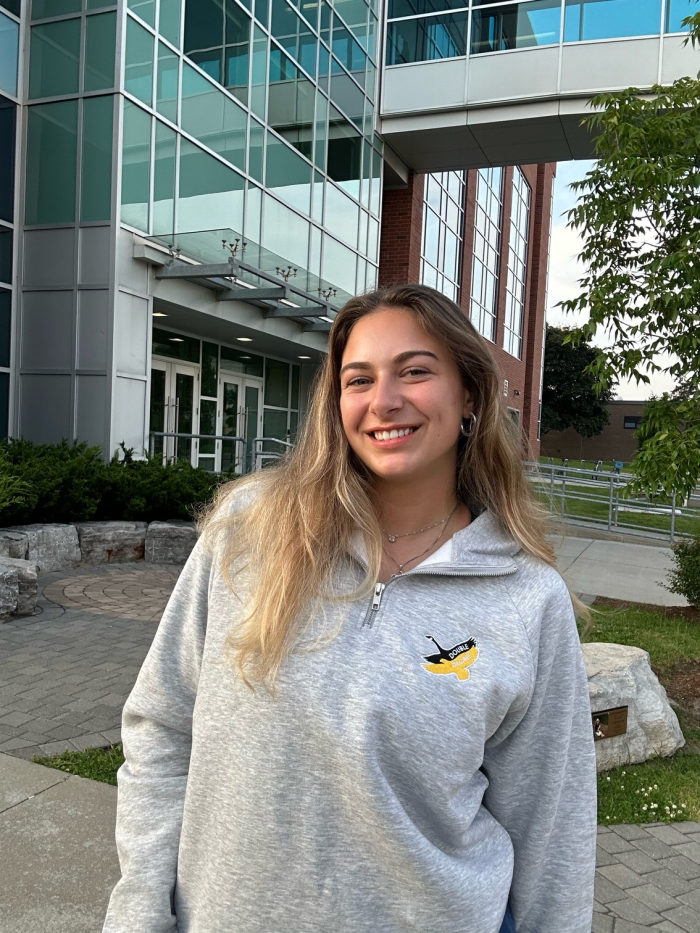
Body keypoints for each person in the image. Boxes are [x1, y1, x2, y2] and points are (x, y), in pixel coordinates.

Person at [103, 284, 597, 933]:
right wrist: (139, 908)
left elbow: (552, 827)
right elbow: (162, 727)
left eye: (415, 371)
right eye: (358, 378)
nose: (384, 400)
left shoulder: (526, 598)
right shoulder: (248, 534)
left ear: (469, 396)